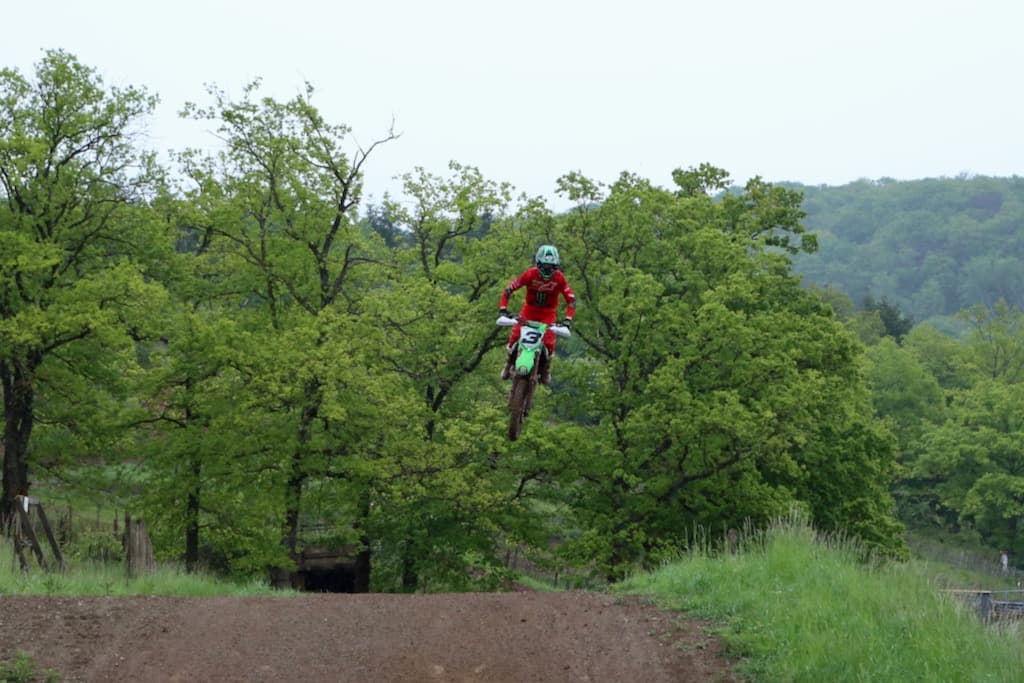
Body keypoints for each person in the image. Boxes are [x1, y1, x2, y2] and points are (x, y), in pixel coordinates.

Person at [499, 244, 576, 384]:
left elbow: (571, 299)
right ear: (538, 264)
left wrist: (567, 320)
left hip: (548, 313)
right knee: (515, 335)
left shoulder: (559, 278)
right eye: (545, 266)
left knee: (549, 341)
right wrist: (503, 309)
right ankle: (508, 364)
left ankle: (546, 369)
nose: (547, 269)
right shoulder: (530, 274)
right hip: (529, 310)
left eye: (551, 266)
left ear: (556, 266)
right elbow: (509, 289)